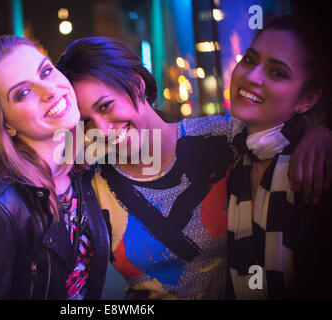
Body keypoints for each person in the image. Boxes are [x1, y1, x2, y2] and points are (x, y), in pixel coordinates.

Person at [56, 36, 331, 299]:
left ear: (136, 84)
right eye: (87, 121)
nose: (102, 130)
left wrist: (318, 132)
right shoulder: (90, 187)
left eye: (105, 106)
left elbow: (279, 132)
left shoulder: (225, 138)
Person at [0, 35, 110, 300]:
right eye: (23, 93)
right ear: (5, 123)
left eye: (46, 71)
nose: (50, 91)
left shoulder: (83, 171)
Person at [227, 14, 332, 299]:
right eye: (249, 59)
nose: (251, 76)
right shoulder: (235, 153)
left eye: (277, 73)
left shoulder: (316, 169)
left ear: (306, 100)